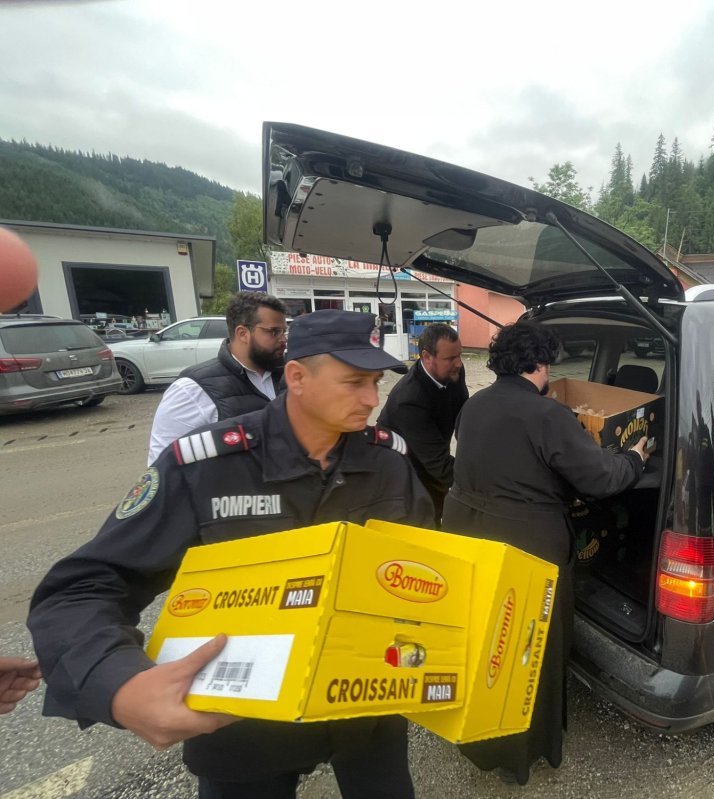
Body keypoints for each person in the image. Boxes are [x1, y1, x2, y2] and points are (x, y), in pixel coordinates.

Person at [28, 310, 434, 799]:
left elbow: (424, 567)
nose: (371, 400)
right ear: (297, 377)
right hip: (241, 723)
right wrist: (117, 682)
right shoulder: (207, 466)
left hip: (364, 706)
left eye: (375, 383)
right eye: (354, 383)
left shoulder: (388, 460)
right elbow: (85, 587)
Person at [441, 321, 649, 785]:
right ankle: (521, 753)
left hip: (467, 536)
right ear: (539, 363)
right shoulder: (547, 414)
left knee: (482, 643)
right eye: (549, 363)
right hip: (525, 548)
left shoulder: (475, 404)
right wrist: (634, 456)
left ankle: (477, 738)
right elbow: (600, 478)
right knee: (527, 649)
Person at [146, 292, 288, 464]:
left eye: (284, 331)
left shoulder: (289, 375)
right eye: (274, 332)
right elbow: (164, 466)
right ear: (243, 333)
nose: (283, 339)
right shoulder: (192, 390)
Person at [377, 323, 468, 523]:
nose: (459, 363)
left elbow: (463, 418)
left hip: (431, 453)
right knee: (424, 521)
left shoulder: (454, 372)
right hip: (403, 473)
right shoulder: (409, 400)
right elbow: (439, 466)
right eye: (450, 358)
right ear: (426, 357)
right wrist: (482, 481)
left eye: (460, 355)